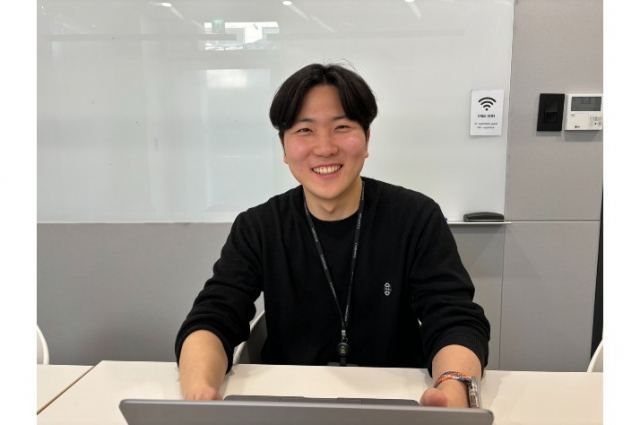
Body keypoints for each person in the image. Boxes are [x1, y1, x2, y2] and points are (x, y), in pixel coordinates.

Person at [175, 63, 490, 408]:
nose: (324, 148)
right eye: (305, 130)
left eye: (341, 127)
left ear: (367, 139)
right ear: (284, 147)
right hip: (288, 404)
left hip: (397, 401)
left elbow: (453, 318)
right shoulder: (259, 227)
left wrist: (452, 392)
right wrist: (199, 393)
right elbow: (214, 318)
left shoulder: (415, 218)